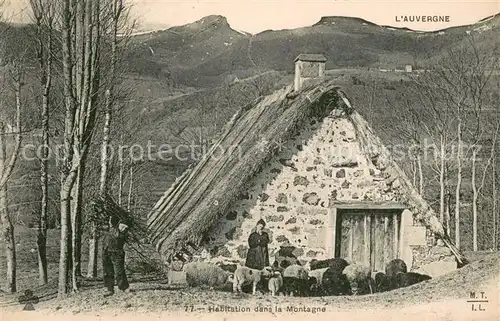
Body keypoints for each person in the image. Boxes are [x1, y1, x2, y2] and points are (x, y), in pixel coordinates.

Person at [102, 214, 131, 297]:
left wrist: (115, 227)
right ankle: (109, 288)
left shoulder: (122, 227)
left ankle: (124, 287)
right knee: (107, 270)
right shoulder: (107, 227)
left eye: (111, 220)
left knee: (119, 271)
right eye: (109, 220)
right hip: (106, 250)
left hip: (117, 251)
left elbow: (118, 236)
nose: (109, 222)